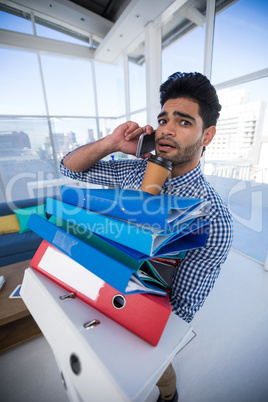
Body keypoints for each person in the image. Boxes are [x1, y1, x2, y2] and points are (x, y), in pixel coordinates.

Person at [60, 72, 233, 402]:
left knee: (157, 374)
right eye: (163, 119)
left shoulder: (213, 219)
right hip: (102, 286)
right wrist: (112, 144)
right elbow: (69, 168)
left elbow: (181, 309)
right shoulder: (133, 169)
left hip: (144, 311)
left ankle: (169, 395)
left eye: (184, 122)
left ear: (207, 135)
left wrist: (134, 334)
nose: (167, 128)